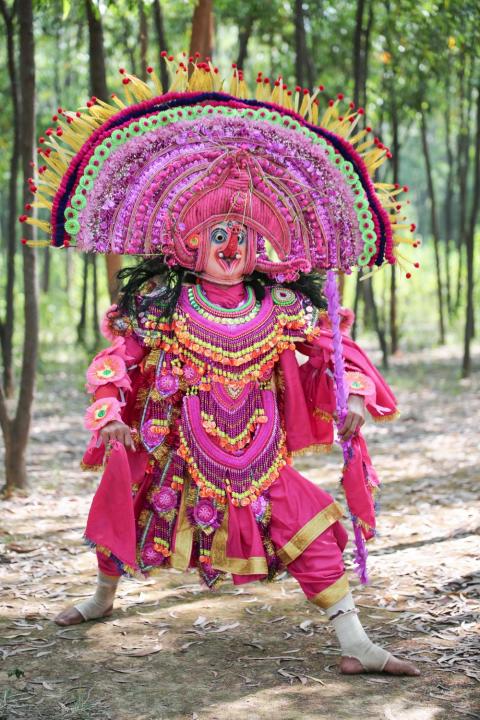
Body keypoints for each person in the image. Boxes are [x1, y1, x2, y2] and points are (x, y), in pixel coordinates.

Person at [21, 58, 419, 675]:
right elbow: (117, 357)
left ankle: (357, 646)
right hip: (180, 446)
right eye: (216, 233)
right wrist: (110, 415)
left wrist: (357, 398)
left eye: (242, 233)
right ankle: (102, 597)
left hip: (260, 456)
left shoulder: (280, 304)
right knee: (126, 499)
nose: (231, 246)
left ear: (263, 243)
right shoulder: (163, 304)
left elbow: (334, 353)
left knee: (310, 524)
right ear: (188, 241)